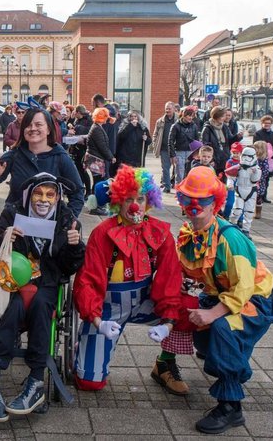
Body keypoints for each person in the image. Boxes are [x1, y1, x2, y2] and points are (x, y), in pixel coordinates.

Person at [174, 166, 273, 434]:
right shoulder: (191, 232)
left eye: (202, 200)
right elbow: (184, 269)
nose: (193, 207)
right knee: (201, 331)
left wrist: (212, 314)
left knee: (222, 330)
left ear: (216, 202)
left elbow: (244, 287)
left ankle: (231, 407)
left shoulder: (230, 238)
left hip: (256, 300)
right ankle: (222, 355)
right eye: (188, 199)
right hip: (221, 294)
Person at [73, 165, 196, 394]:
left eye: (140, 198)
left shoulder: (160, 233)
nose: (135, 205)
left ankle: (165, 363)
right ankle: (83, 346)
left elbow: (170, 279)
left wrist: (168, 323)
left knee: (191, 310)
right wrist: (98, 321)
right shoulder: (103, 233)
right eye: (128, 199)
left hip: (144, 302)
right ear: (118, 200)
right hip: (108, 308)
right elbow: (88, 280)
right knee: (89, 383)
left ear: (149, 200)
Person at [0, 173, 85, 422]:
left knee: (41, 306)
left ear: (58, 197)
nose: (44, 199)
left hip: (48, 279)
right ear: (29, 195)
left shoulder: (67, 219)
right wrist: (6, 238)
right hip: (15, 278)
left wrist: (74, 246)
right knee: (14, 306)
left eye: (50, 194)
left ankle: (36, 379)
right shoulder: (12, 213)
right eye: (39, 193)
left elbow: (69, 268)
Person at [0, 106, 85, 218]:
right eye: (28, 125)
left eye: (38, 125)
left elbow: (77, 192)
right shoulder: (15, 154)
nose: (33, 128)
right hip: (15, 223)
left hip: (48, 225)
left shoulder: (60, 157)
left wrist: (67, 220)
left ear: (49, 129)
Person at [85, 107, 116, 214]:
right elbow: (102, 146)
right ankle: (96, 207)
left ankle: (95, 206)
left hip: (95, 159)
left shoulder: (97, 127)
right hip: (96, 160)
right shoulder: (97, 129)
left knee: (97, 183)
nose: (107, 118)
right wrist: (111, 157)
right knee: (98, 184)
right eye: (106, 116)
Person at [226, 146, 260, 238]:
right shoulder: (238, 167)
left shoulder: (256, 168)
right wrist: (230, 184)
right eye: (244, 155)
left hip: (251, 191)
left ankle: (246, 230)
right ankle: (231, 226)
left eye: (249, 156)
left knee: (249, 212)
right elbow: (231, 177)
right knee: (236, 210)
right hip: (239, 190)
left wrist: (255, 172)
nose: (246, 158)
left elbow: (254, 180)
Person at [201, 106, 239, 178]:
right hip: (214, 158)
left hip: (225, 157)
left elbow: (231, 140)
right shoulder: (207, 128)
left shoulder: (224, 127)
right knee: (213, 179)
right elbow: (205, 145)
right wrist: (211, 159)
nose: (224, 118)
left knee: (225, 180)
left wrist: (238, 137)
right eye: (222, 116)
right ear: (216, 116)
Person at [253, 115, 273, 203]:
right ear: (262, 123)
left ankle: (264, 196)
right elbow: (255, 146)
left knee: (266, 179)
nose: (267, 124)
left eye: (269, 123)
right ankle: (257, 196)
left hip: (269, 160)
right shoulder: (258, 133)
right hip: (260, 160)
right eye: (265, 123)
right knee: (258, 179)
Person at [168, 107, 199, 183]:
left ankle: (188, 191)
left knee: (189, 173)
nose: (190, 118)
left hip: (190, 152)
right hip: (179, 152)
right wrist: (172, 155)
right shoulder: (176, 126)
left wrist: (197, 153)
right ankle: (178, 191)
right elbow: (170, 141)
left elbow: (197, 141)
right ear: (184, 115)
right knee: (179, 174)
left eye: (192, 116)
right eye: (189, 115)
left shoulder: (194, 126)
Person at [152, 101, 177, 193]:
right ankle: (167, 186)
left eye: (169, 108)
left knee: (177, 169)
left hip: (176, 149)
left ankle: (178, 186)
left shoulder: (179, 120)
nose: (167, 110)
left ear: (174, 109)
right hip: (164, 149)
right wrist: (155, 144)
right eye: (166, 108)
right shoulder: (160, 121)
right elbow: (155, 134)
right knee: (165, 168)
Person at [253, 141, 271, 219]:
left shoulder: (263, 160)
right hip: (253, 181)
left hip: (260, 182)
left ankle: (258, 212)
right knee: (253, 197)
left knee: (258, 198)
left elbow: (265, 171)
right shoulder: (253, 158)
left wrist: (259, 176)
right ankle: (252, 211)